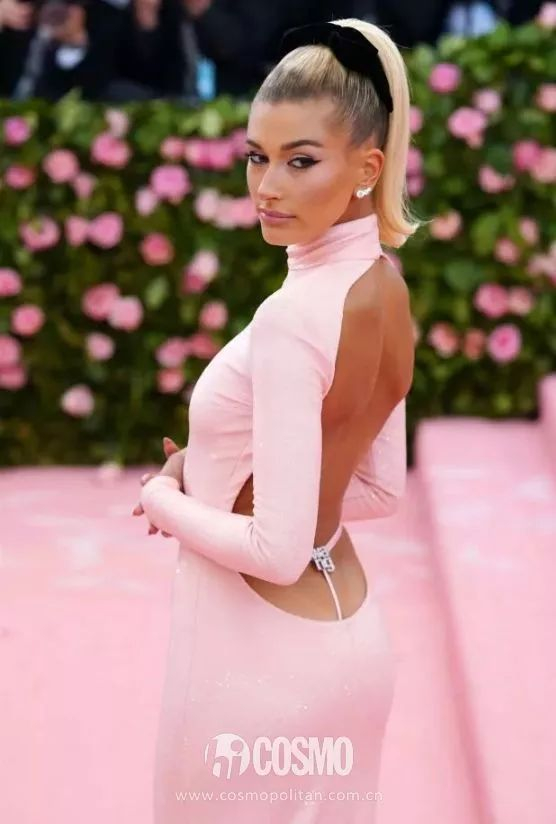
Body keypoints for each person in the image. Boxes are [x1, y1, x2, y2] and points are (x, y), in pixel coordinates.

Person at [133, 16, 418, 821]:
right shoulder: (387, 288)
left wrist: (162, 497)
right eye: (257, 157)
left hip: (257, 671)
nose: (267, 187)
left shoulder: (292, 319)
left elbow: (277, 551)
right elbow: (379, 491)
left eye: (300, 161)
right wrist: (215, 476)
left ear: (366, 169)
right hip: (354, 650)